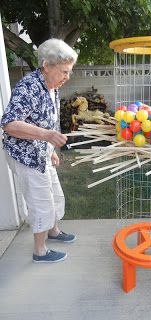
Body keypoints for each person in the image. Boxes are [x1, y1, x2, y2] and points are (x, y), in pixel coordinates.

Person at [0, 38, 78, 263]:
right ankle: (40, 251)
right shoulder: (29, 86)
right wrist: (47, 137)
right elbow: (9, 124)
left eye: (69, 71)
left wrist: (50, 148)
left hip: (41, 150)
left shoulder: (51, 86)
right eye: (64, 71)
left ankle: (53, 231)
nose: (67, 77)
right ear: (46, 65)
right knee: (40, 199)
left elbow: (47, 120)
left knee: (53, 191)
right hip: (25, 155)